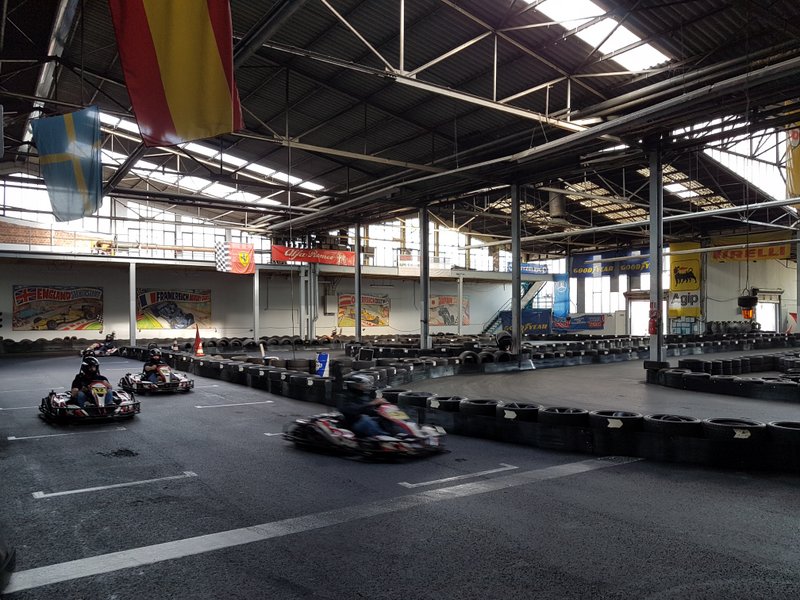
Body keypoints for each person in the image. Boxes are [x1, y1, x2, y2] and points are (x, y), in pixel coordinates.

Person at [338, 373, 394, 439]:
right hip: (353, 423)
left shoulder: (364, 395)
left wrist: (381, 409)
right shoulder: (344, 397)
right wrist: (372, 404)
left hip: (368, 419)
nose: (365, 386)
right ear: (354, 385)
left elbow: (370, 410)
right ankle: (386, 438)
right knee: (365, 419)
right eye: (363, 384)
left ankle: (399, 434)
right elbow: (352, 410)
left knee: (386, 419)